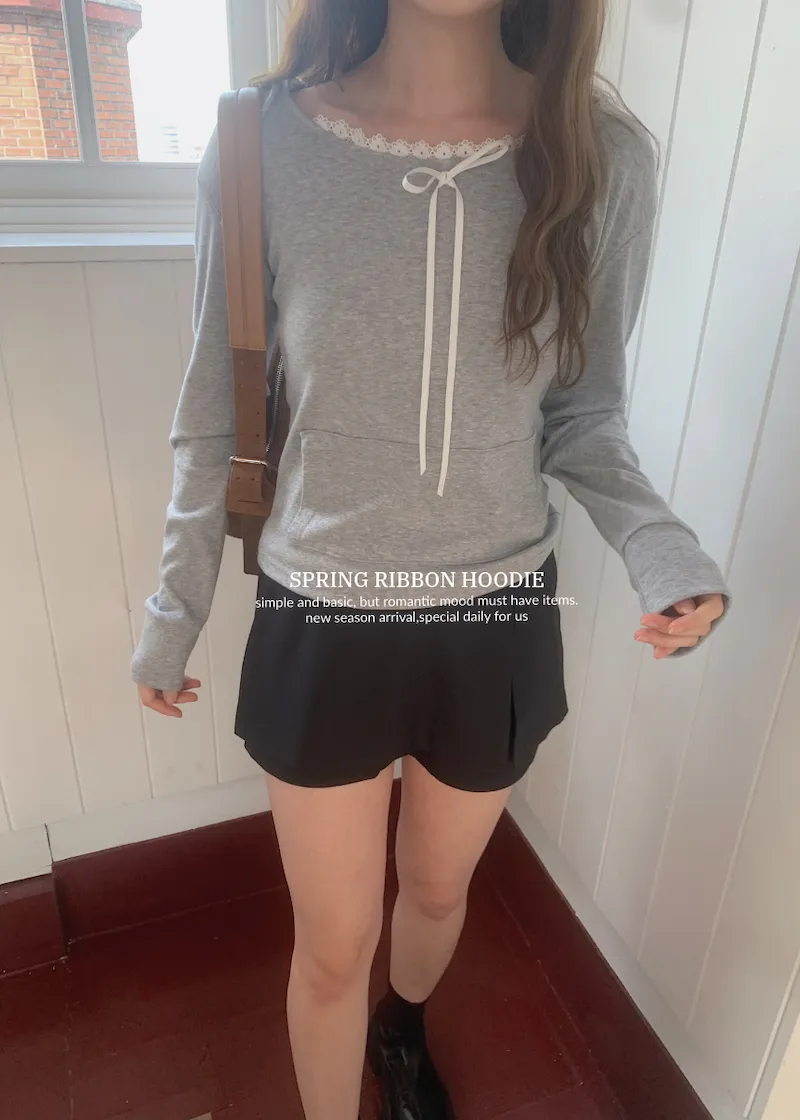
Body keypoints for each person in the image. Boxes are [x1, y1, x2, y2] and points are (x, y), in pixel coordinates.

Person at [131, 0, 732, 1116]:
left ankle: (400, 1032)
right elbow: (215, 412)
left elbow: (586, 415)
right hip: (325, 613)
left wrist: (665, 554)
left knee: (438, 889)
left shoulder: (601, 157)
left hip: (496, 614)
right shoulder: (259, 144)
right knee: (331, 943)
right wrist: (174, 610)